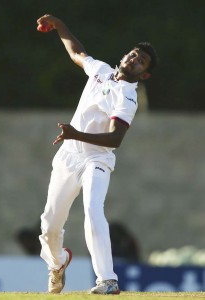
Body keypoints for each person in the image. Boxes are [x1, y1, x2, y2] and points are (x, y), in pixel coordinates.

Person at [36, 13, 158, 295]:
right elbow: (77, 52)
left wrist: (75, 133)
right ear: (125, 55)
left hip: (97, 159)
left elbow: (115, 138)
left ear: (144, 74)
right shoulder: (101, 70)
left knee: (93, 209)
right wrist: (58, 24)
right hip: (68, 156)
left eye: (141, 62)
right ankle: (57, 263)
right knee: (50, 226)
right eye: (134, 54)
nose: (134, 60)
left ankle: (108, 280)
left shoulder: (127, 97)